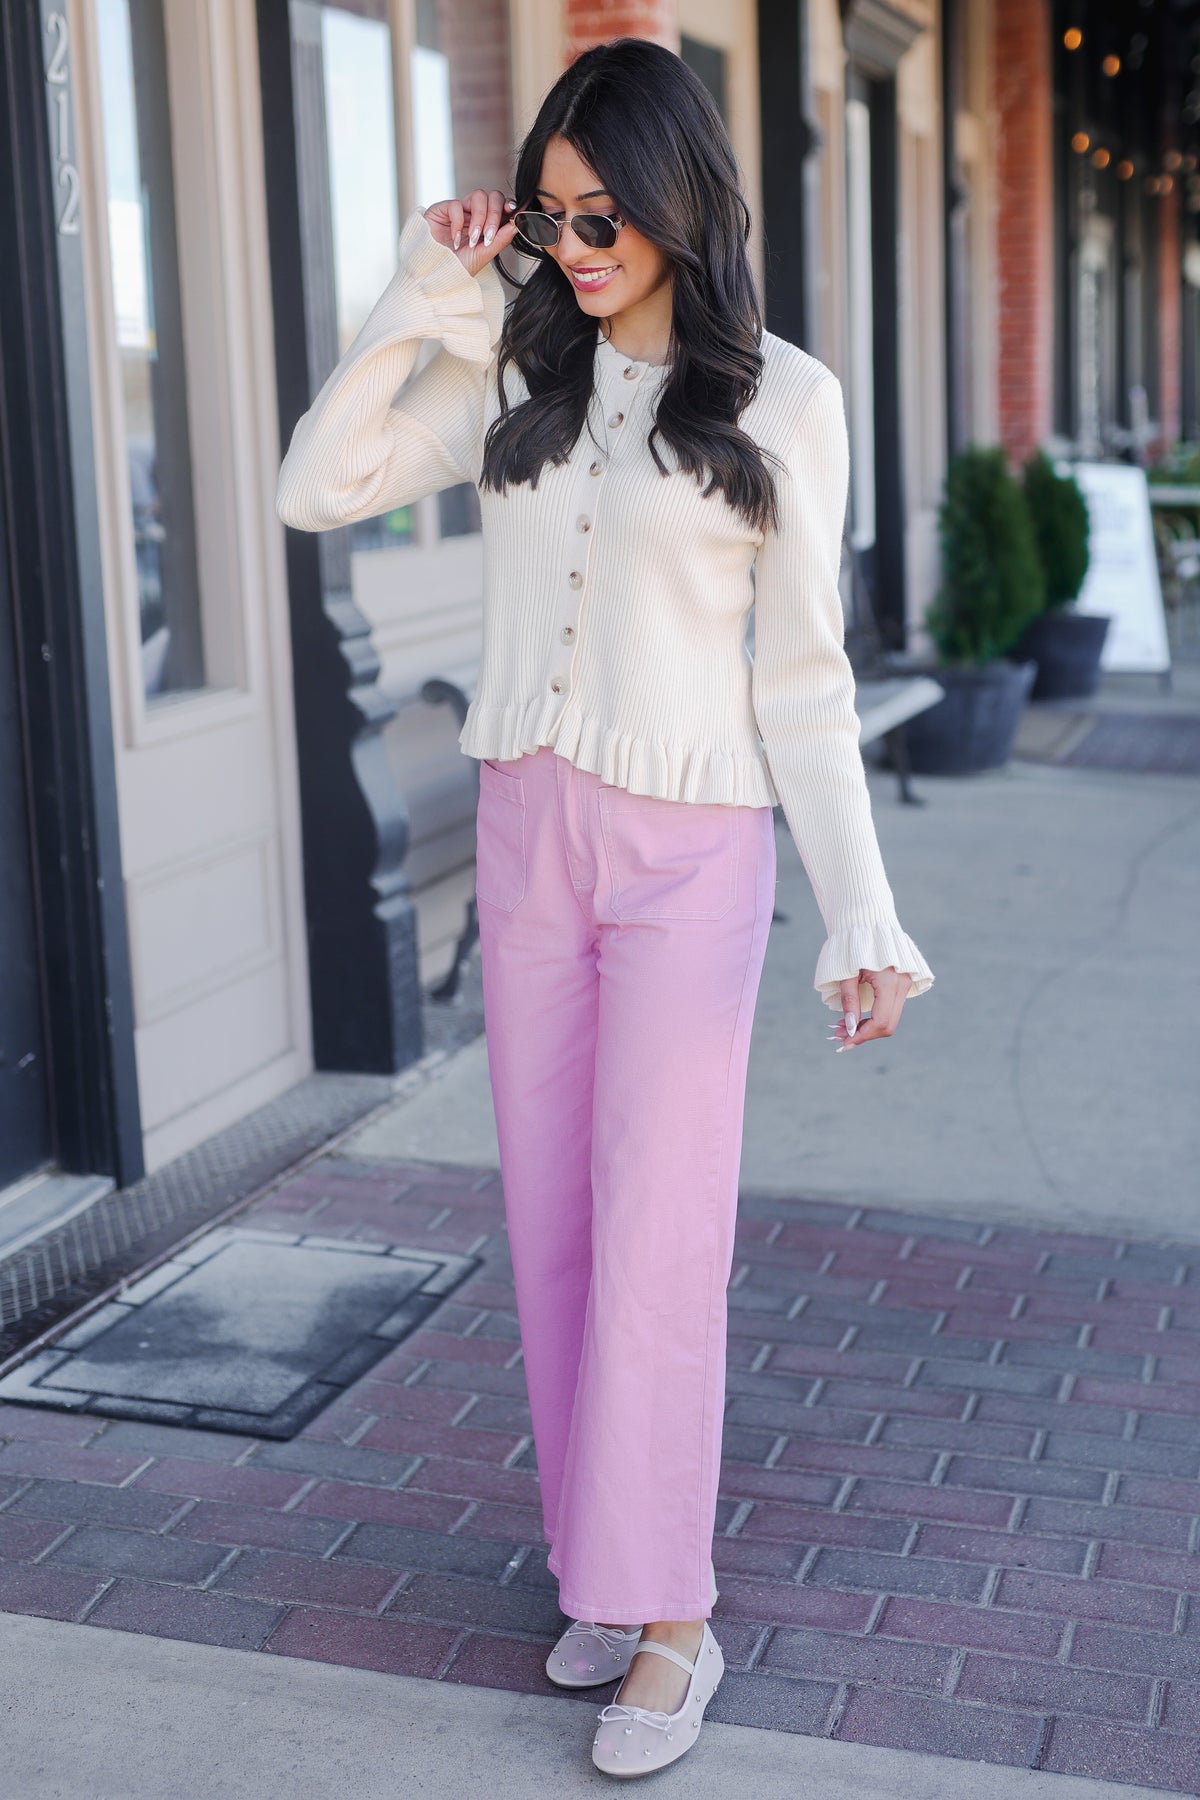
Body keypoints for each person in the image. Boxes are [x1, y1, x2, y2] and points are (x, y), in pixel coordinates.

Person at [276, 35, 934, 1781]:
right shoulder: (512, 359)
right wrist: (423, 286)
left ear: (675, 196)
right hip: (526, 828)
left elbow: (803, 680)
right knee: (559, 1224)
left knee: (660, 1235)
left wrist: (861, 918)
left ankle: (672, 1617)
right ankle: (602, 1565)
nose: (575, 244)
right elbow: (311, 484)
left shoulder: (785, 402)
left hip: (687, 851)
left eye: (605, 213)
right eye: (552, 216)